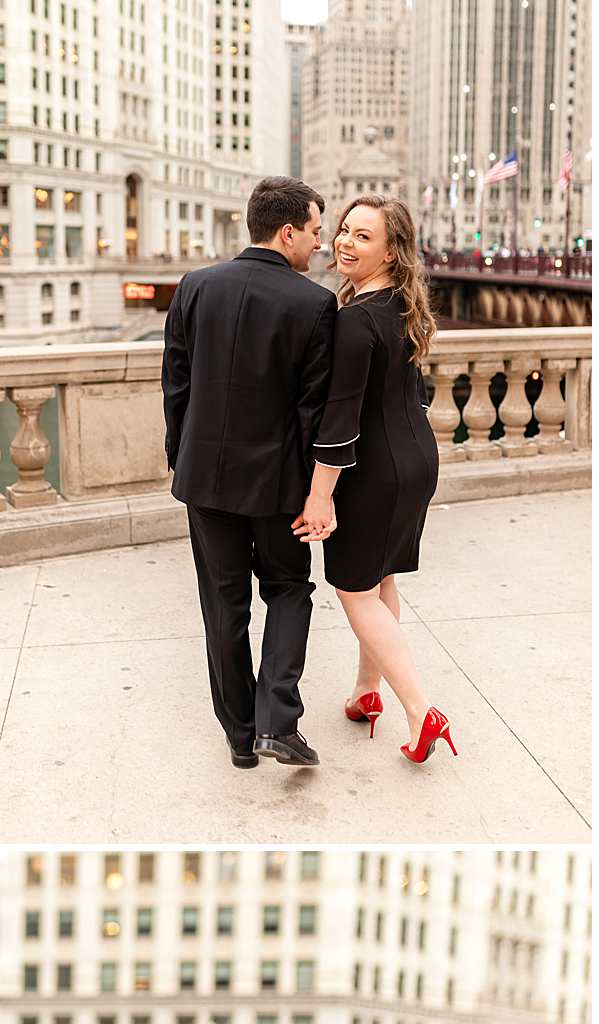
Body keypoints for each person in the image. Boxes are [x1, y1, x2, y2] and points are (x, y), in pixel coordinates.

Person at [163, 176, 337, 769]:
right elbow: (314, 410)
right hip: (278, 485)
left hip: (204, 480)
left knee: (223, 605)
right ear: (287, 231)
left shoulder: (194, 287)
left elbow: (176, 387)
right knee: (289, 591)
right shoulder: (314, 304)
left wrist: (180, 458)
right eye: (315, 231)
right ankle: (277, 723)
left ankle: (240, 736)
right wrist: (318, 489)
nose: (319, 244)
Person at [294, 196, 455, 764]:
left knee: (353, 587)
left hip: (376, 472)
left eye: (363, 237)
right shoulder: (401, 308)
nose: (344, 242)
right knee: (381, 576)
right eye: (342, 231)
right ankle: (367, 694)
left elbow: (340, 421)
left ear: (391, 250)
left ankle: (420, 711)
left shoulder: (355, 320)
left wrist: (319, 497)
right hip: (416, 460)